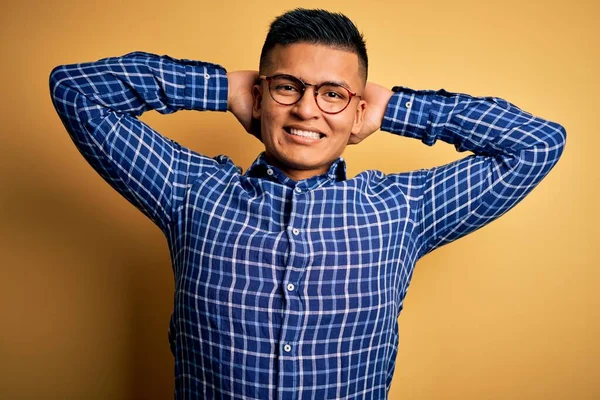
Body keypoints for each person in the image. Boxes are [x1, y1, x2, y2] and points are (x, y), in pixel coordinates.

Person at [48, 7, 566, 400]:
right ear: (258, 96)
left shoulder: (402, 210)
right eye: (287, 87)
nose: (306, 108)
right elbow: (76, 90)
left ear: (357, 109)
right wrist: (222, 87)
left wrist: (396, 109)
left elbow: (537, 144)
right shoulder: (191, 192)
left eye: (333, 94)